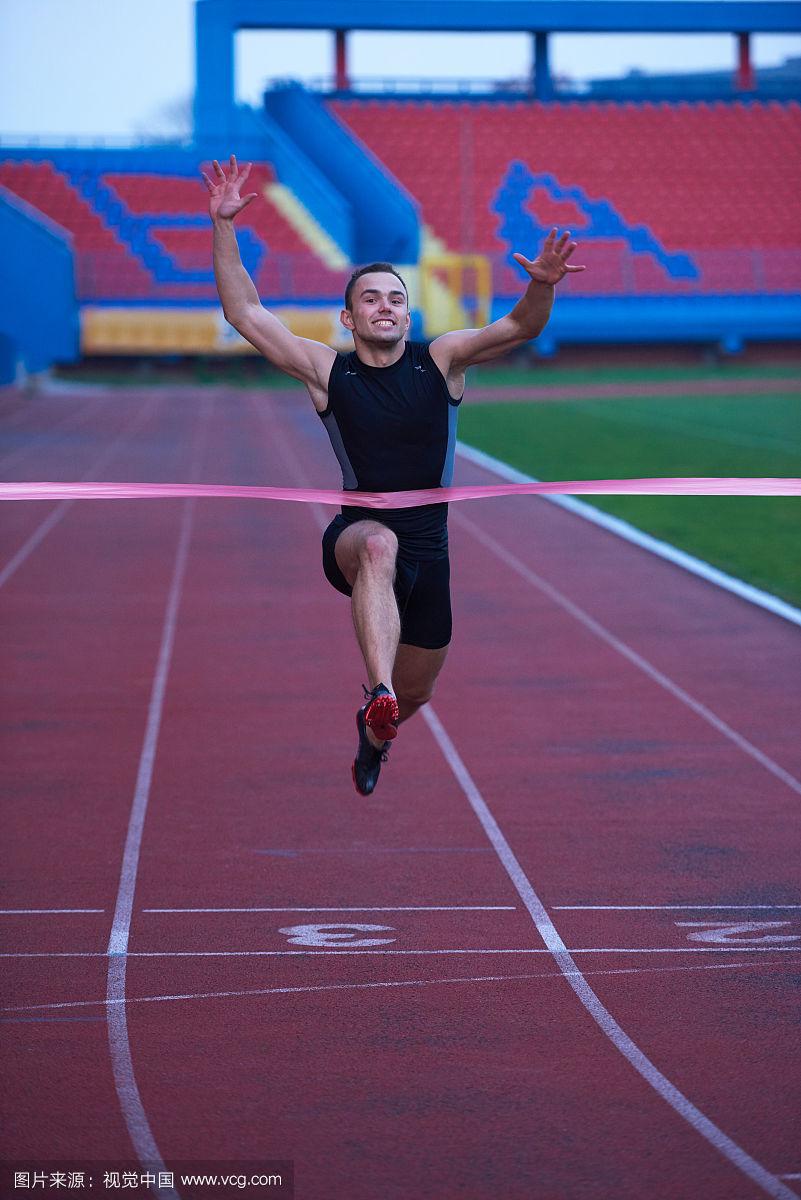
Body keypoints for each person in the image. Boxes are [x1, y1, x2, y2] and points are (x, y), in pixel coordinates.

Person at [203, 155, 585, 795]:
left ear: (409, 315)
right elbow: (246, 312)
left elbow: (520, 325)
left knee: (419, 694)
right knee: (380, 546)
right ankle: (377, 690)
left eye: (396, 299)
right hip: (357, 534)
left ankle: (377, 724)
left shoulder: (443, 360)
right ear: (349, 319)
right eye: (371, 299)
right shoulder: (329, 371)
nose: (386, 307)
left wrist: (542, 284)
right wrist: (223, 226)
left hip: (431, 548)